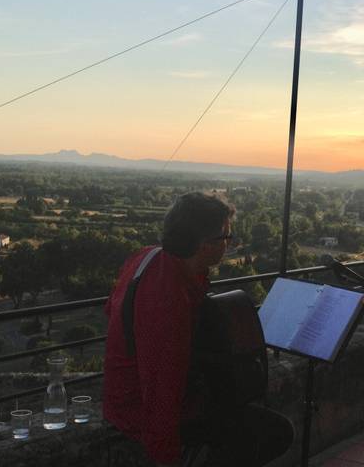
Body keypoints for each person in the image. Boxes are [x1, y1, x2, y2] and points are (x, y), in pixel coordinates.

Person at [103, 192, 293, 467]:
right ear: (205, 245)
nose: (229, 244)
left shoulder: (147, 257)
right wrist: (166, 457)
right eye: (226, 237)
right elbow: (162, 393)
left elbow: (111, 310)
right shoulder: (169, 299)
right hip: (139, 411)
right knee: (273, 433)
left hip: (129, 399)